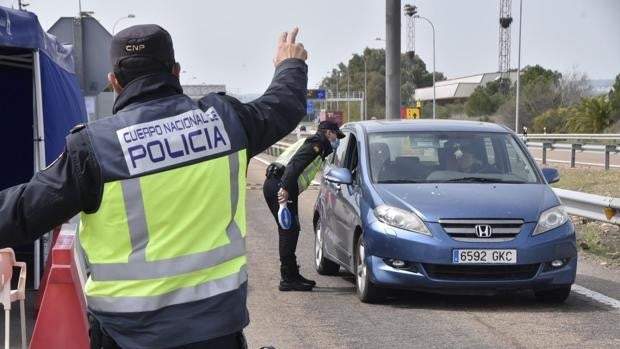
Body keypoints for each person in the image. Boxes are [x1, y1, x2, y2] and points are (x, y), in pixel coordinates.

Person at [0, 24, 308, 349]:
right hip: (217, 335)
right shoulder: (226, 123)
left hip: (127, 339)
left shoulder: (96, 149)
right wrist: (290, 64)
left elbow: (21, 212)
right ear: (175, 71)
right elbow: (283, 105)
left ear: (114, 82)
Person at [263, 120, 345, 291]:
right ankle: (288, 278)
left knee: (290, 230)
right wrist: (285, 188)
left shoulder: (313, 142)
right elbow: (295, 164)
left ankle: (291, 275)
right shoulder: (317, 144)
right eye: (337, 135)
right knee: (289, 231)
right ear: (328, 132)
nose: (337, 140)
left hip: (279, 183)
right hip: (282, 186)